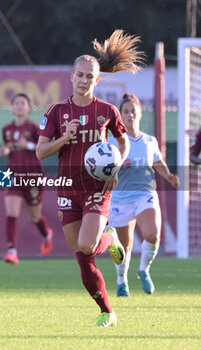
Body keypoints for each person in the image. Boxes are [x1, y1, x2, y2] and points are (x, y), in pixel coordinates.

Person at [36, 30, 143, 327]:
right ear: (71, 76)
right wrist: (64, 138)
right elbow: (41, 152)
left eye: (90, 77)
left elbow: (123, 143)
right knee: (82, 256)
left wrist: (117, 167)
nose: (84, 80)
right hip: (67, 190)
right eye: (80, 75)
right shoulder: (56, 112)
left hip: (97, 188)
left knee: (86, 243)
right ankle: (107, 312)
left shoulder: (106, 111)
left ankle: (107, 238)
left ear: (97, 80)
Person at [108, 93, 180, 297]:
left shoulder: (149, 141)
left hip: (144, 194)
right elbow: (105, 169)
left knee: (152, 234)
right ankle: (121, 280)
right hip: (120, 199)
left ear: (139, 114)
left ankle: (144, 270)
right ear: (120, 117)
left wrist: (169, 177)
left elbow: (158, 163)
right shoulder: (114, 144)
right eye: (126, 112)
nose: (130, 115)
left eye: (133, 111)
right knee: (124, 246)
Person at [0, 93, 53, 264]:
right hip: (11, 174)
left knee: (34, 217)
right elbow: (6, 148)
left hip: (33, 176)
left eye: (23, 103)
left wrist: (28, 145)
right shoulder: (6, 129)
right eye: (16, 103)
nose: (19, 106)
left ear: (29, 108)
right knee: (11, 213)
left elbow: (44, 149)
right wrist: (3, 150)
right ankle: (12, 251)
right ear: (12, 107)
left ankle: (46, 234)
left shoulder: (35, 128)